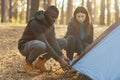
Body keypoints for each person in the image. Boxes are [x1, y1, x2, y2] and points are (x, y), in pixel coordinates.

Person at [18, 5, 69, 75]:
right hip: (25, 47)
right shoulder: (35, 23)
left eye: (56, 18)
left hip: (40, 45)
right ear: (46, 14)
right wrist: (59, 60)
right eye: (52, 17)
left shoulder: (51, 25)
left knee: (63, 42)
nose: (54, 19)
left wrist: (62, 56)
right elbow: (45, 42)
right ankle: (28, 63)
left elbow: (53, 42)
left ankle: (40, 63)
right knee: (41, 45)